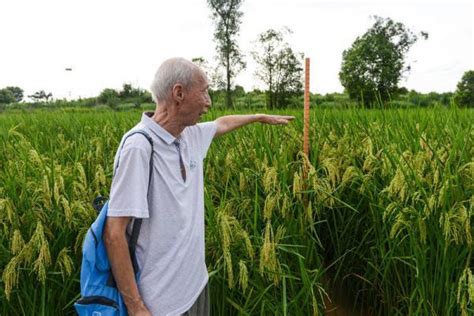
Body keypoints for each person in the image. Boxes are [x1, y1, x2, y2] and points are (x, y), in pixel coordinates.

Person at [103, 57, 294, 316]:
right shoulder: (139, 147)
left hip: (196, 286)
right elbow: (114, 233)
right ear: (179, 93)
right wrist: (136, 308)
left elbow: (223, 123)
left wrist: (259, 116)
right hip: (161, 304)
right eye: (204, 92)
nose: (208, 102)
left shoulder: (189, 135)